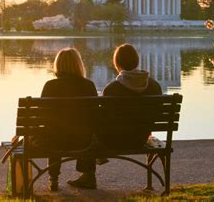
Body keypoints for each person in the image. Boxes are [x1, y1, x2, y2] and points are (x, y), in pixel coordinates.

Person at [39, 48, 98, 190]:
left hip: (55, 140)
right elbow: (95, 118)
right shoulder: (88, 86)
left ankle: (53, 179)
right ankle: (89, 175)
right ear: (79, 64)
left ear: (58, 65)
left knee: (53, 129)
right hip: (83, 141)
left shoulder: (50, 86)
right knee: (87, 129)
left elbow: (42, 118)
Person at [102, 43, 162, 148]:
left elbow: (105, 119)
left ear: (117, 64)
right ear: (136, 61)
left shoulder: (111, 90)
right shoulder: (154, 86)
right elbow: (158, 114)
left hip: (116, 140)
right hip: (142, 138)